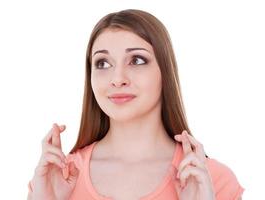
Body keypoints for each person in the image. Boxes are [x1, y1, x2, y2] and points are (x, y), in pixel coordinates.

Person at [27, 9, 244, 200]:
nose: (117, 78)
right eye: (102, 63)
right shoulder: (56, 178)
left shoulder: (212, 180)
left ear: (165, 72)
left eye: (137, 60)